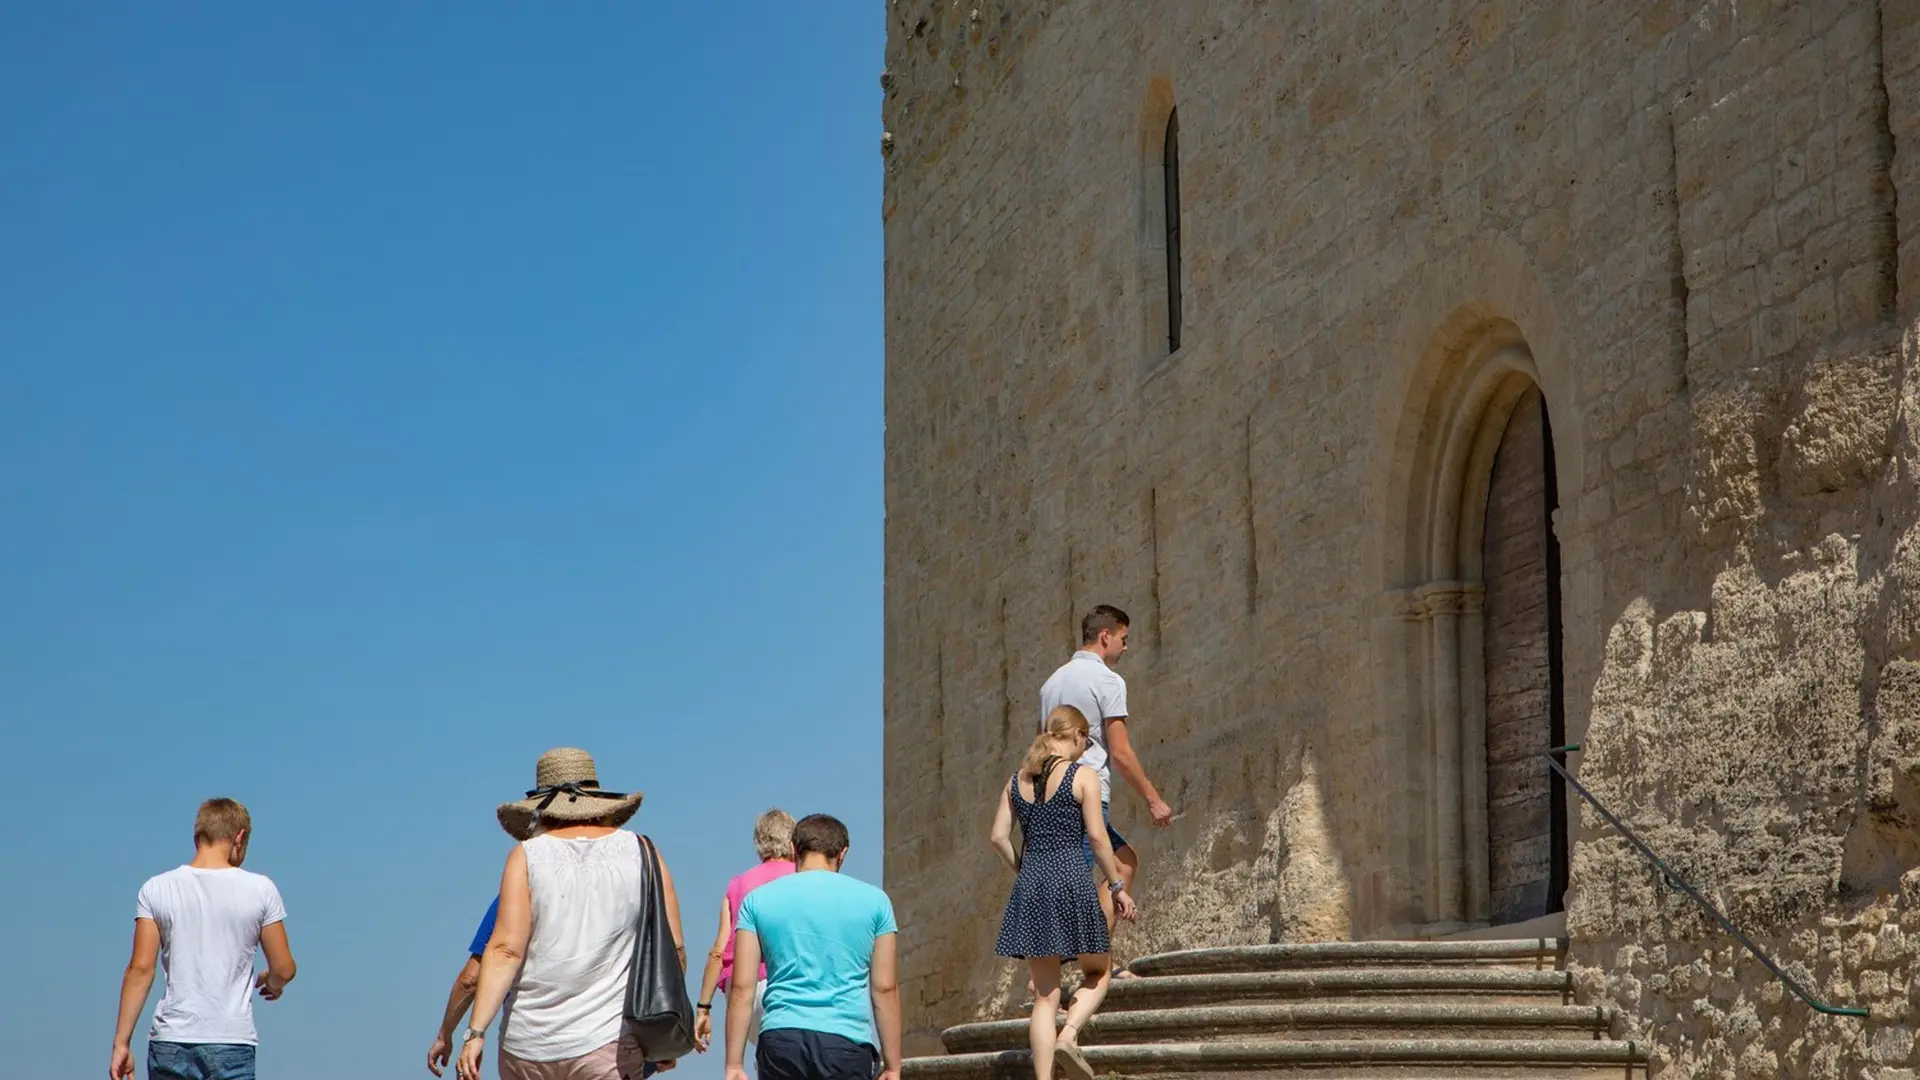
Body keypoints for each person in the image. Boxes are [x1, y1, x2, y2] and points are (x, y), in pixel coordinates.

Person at [457, 747, 687, 1080]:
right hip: (608, 1041)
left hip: (527, 1047)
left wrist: (475, 1033)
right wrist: (661, 1035)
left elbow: (505, 950)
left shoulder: (525, 856)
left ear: (540, 807)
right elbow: (674, 950)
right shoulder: (643, 852)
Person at [992, 706, 1139, 1080]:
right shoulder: (1082, 775)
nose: (1084, 750)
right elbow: (1097, 838)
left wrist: (1024, 870)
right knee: (1099, 971)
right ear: (1076, 735)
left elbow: (998, 837)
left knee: (1045, 996)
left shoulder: (1016, 781)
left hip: (1032, 885)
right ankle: (1069, 1034)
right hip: (1071, 880)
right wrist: (1117, 886)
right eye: (1085, 743)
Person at [110, 798, 298, 1080]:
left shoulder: (156, 888)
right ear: (239, 838)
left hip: (171, 1040)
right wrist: (272, 983)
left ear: (198, 836)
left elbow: (141, 969)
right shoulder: (261, 890)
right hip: (230, 1040)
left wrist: (121, 1043)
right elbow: (284, 968)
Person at [724, 814, 900, 1080]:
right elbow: (885, 988)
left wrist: (734, 1064)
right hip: (845, 1043)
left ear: (793, 849)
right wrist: (893, 1066)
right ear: (843, 853)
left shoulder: (756, 901)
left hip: (781, 1040)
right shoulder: (877, 902)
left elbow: (741, 988)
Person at [1038, 605, 1172, 948]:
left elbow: (1040, 744)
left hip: (1050, 793)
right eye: (1123, 639)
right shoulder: (1107, 680)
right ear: (1105, 636)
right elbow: (1121, 752)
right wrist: (1153, 799)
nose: (1126, 647)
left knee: (1123, 864)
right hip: (1086, 794)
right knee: (1072, 887)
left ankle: (1095, 960)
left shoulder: (1050, 684)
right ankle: (1059, 971)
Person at [693, 809, 796, 1054]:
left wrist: (703, 1007)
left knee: (767, 1059)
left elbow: (718, 951)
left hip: (742, 993)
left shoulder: (737, 884)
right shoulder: (803, 879)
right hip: (789, 984)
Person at [426, 896, 501, 1076]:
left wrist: (445, 1035)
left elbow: (470, 980)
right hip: (573, 1039)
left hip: (529, 1043)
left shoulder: (514, 895)